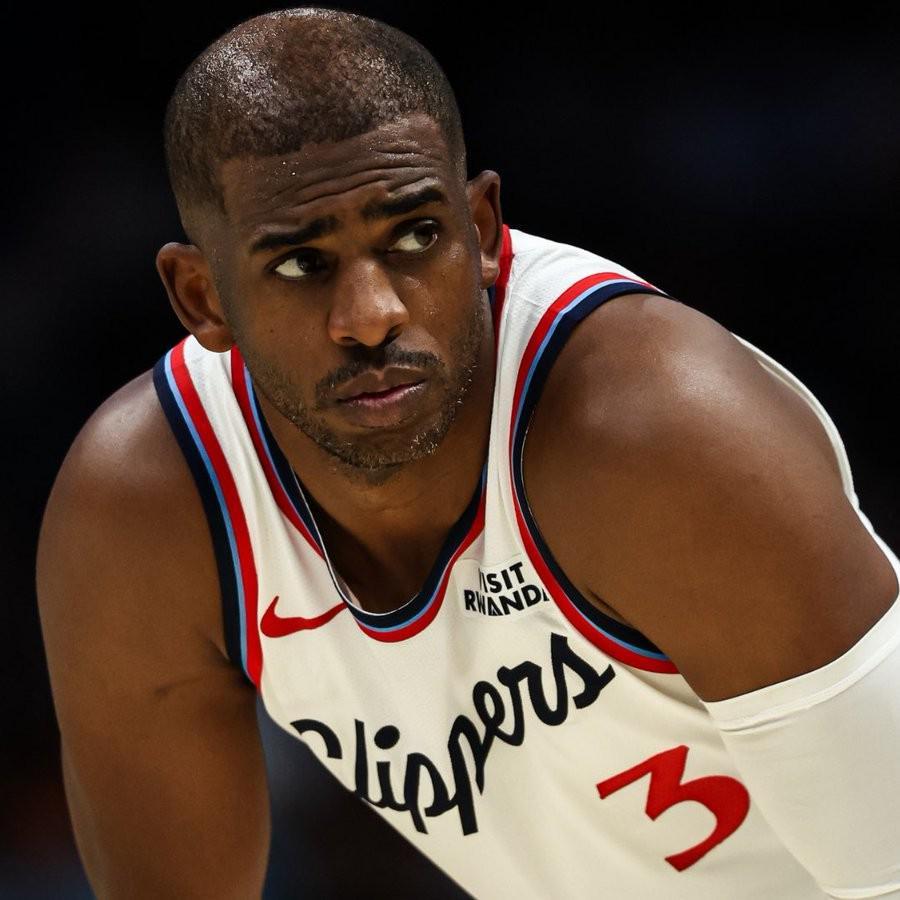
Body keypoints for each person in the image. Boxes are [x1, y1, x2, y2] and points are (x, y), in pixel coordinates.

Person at [36, 7, 900, 899]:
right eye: (301, 264)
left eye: (415, 236)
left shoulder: (658, 434)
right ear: (202, 297)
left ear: (482, 230)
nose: (371, 315)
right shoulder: (147, 514)